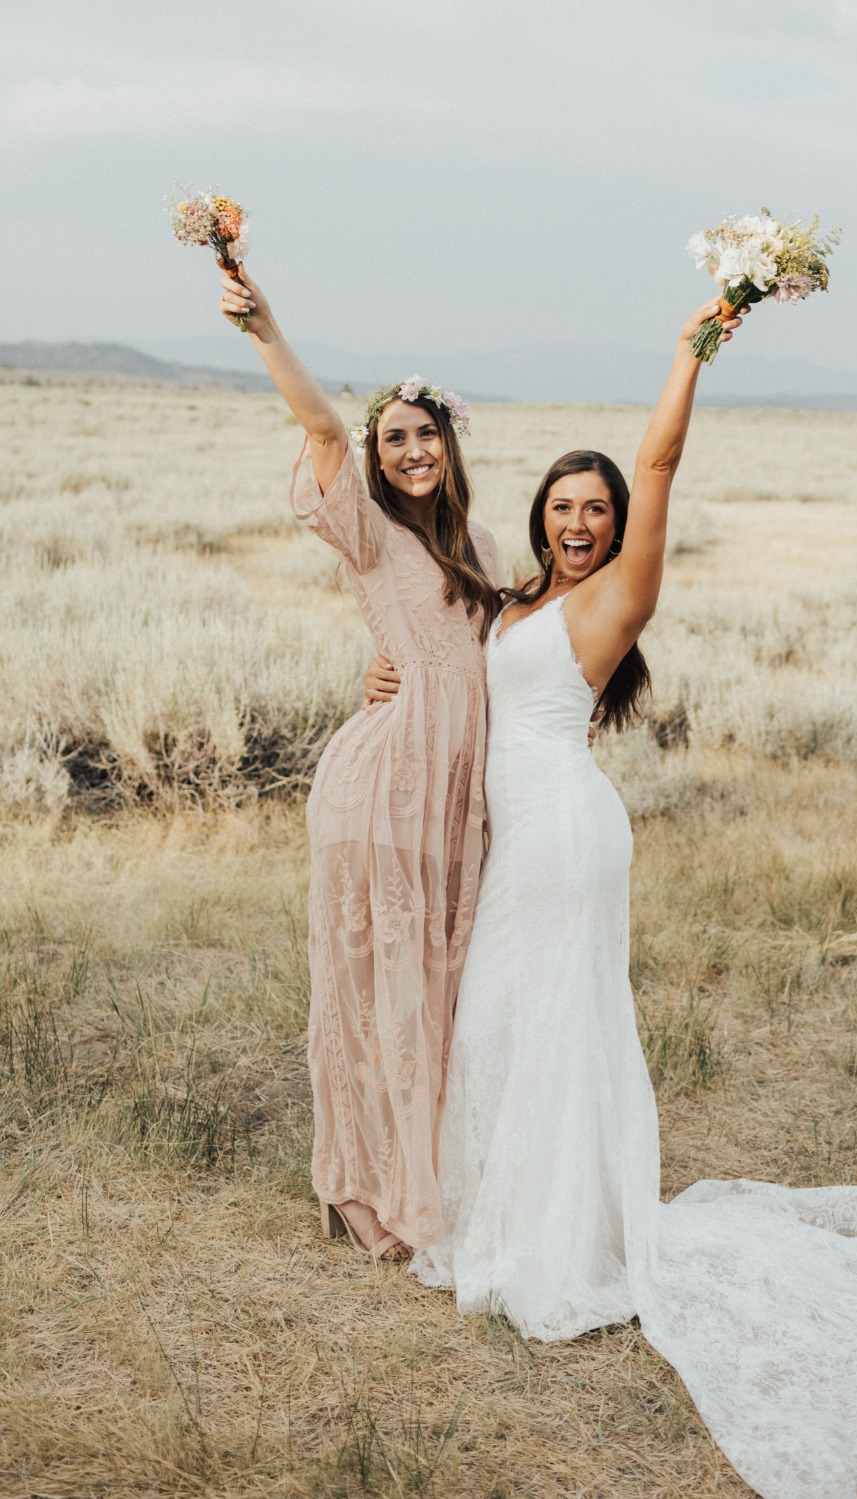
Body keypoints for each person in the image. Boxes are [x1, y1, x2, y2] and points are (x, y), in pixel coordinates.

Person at [379, 298, 857, 1497]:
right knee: (509, 1014)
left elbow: (659, 454)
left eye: (594, 510)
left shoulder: (619, 598)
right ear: (540, 520)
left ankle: (555, 1247)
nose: (576, 522)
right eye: (561, 507)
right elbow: (455, 661)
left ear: (617, 528)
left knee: (545, 1014)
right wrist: (386, 665)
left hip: (564, 832)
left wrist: (690, 348)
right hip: (533, 834)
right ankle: (523, 1215)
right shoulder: (523, 603)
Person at [217, 266, 504, 1259]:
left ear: (450, 443)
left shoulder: (479, 542)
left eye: (428, 434)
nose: (414, 450)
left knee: (432, 984)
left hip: (453, 794)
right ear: (379, 456)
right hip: (382, 784)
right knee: (374, 985)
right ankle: (358, 1188)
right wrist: (267, 329)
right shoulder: (369, 530)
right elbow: (323, 432)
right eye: (397, 438)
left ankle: (424, 1166)